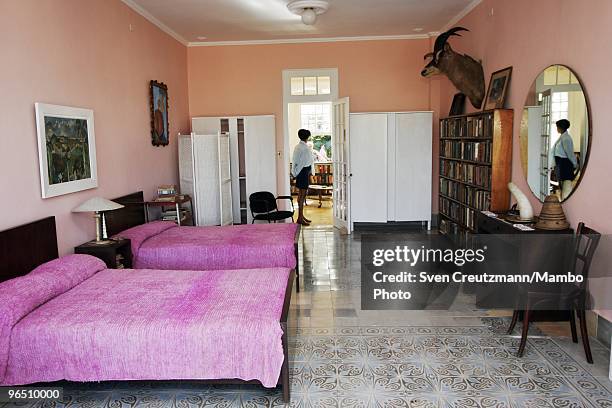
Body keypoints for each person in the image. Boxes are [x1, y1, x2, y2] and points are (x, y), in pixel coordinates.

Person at [291, 129, 314, 225]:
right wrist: (296, 173)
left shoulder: (301, 147)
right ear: (307, 137)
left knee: (302, 195)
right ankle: (300, 218)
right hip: (303, 172)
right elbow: (300, 163)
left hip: (304, 172)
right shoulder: (302, 148)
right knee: (302, 195)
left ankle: (301, 216)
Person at [551, 119, 577, 200]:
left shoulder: (566, 138)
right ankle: (563, 201)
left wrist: (575, 164)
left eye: (557, 127)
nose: (557, 129)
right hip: (560, 164)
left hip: (565, 164)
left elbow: (570, 153)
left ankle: (565, 203)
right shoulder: (562, 137)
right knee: (561, 186)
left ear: (561, 127)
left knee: (566, 187)